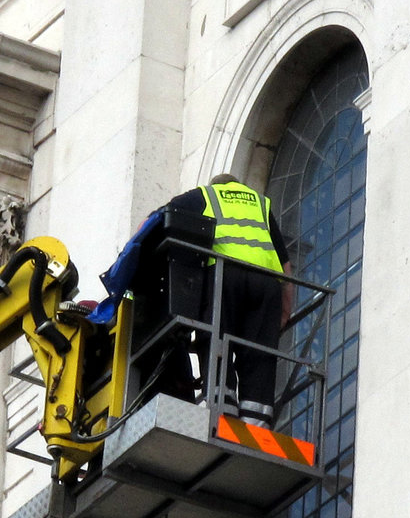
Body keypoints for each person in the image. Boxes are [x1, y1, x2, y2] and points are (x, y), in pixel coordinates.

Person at [89, 175, 290, 415]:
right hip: (267, 283)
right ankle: (257, 419)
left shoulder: (206, 195)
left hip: (225, 272)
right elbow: (286, 266)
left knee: (214, 336)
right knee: (259, 351)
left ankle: (222, 408)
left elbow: (158, 217)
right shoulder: (261, 204)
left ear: (216, 186)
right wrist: (285, 310)